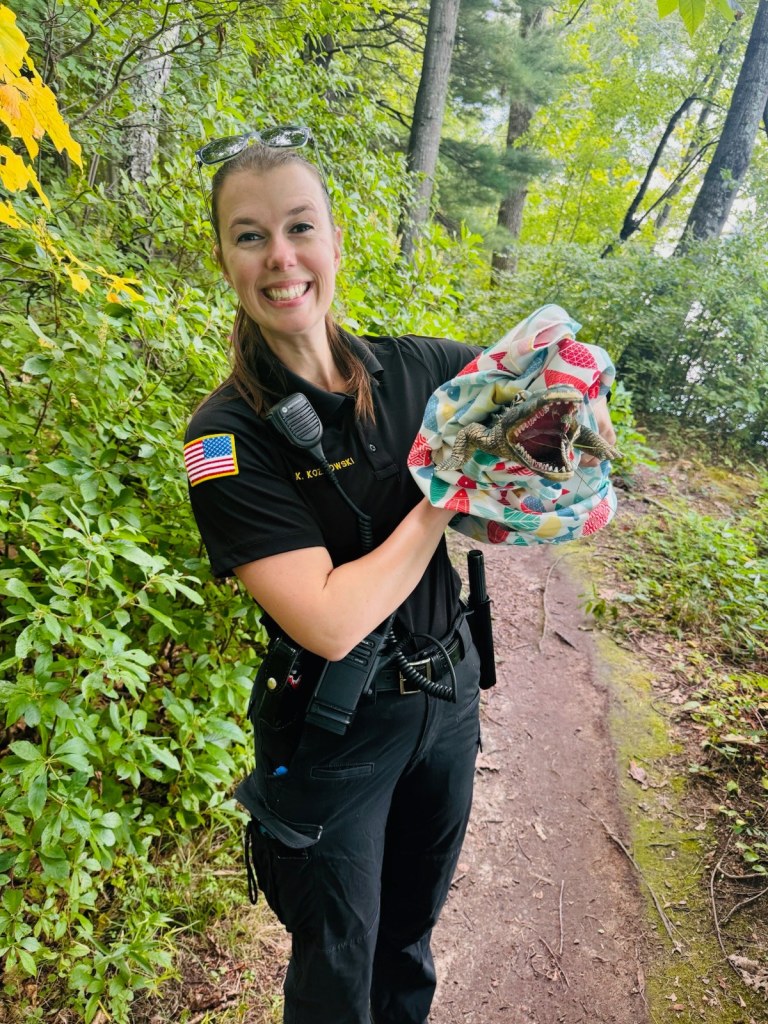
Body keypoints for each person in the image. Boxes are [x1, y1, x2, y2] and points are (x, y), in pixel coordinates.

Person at [184, 126, 616, 1024]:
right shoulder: (224, 441)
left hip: (448, 695)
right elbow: (331, 619)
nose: (281, 257)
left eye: (301, 227)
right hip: (335, 729)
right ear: (224, 256)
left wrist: (562, 425)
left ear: (335, 242)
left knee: (409, 944)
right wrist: (442, 492)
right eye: (250, 233)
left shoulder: (420, 368)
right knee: (337, 969)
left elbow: (536, 398)